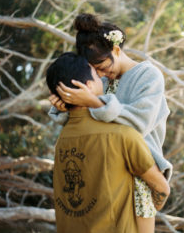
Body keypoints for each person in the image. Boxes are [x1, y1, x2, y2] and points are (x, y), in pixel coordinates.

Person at [49, 13, 173, 233]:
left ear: (116, 50)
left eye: (102, 65)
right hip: (107, 168)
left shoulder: (148, 75)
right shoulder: (103, 81)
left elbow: (139, 124)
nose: (100, 73)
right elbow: (89, 123)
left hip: (141, 171)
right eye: (93, 69)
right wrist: (65, 107)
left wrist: (94, 101)